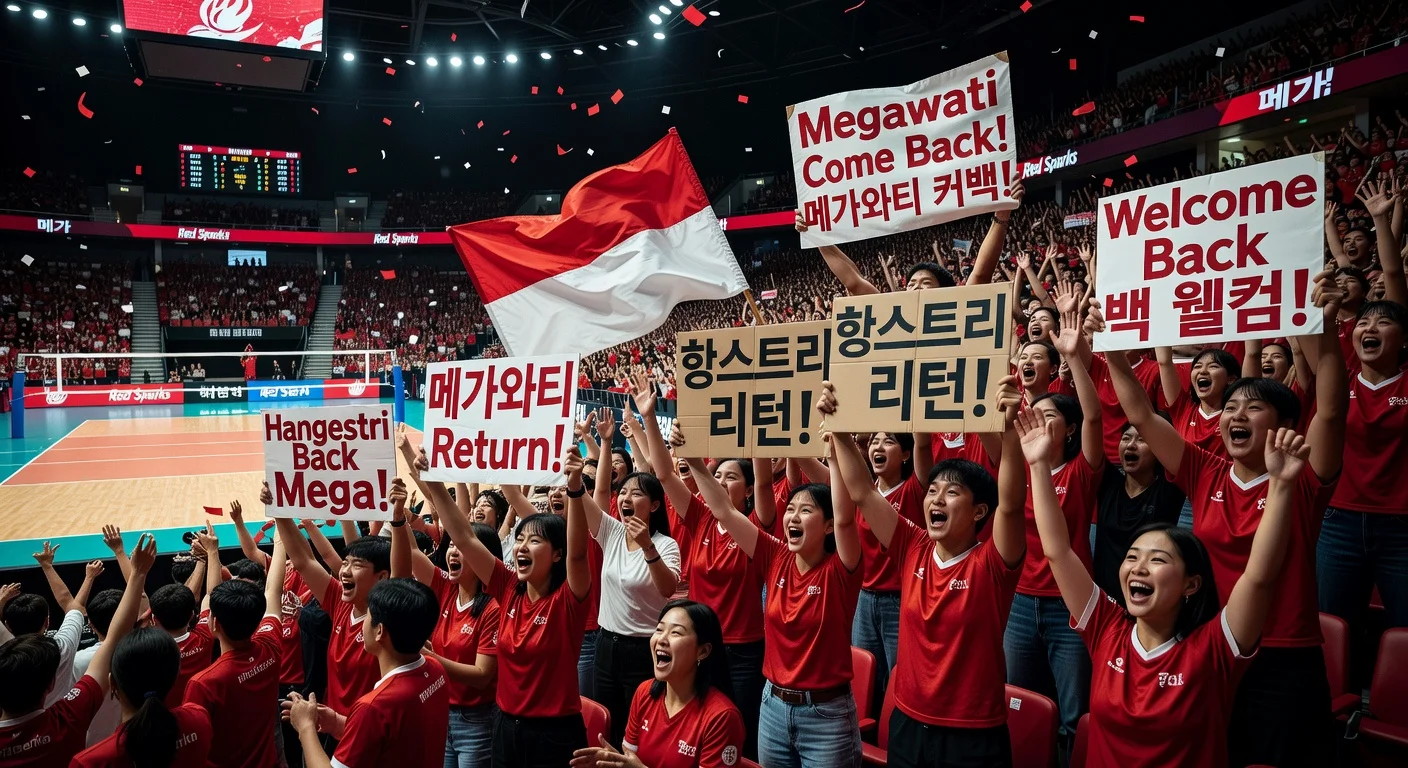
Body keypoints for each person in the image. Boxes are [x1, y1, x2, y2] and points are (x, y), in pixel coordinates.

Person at [1090, 268, 1347, 768]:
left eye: (1252, 408)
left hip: (1283, 656)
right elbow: (1142, 415)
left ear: (1285, 424)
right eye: (1229, 408)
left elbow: (1334, 411)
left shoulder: (1301, 474)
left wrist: (1328, 328)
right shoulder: (1204, 471)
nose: (1234, 416)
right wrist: (1113, 350)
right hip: (1209, 650)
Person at [1020, 407, 1309, 767]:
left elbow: (1260, 576)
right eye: (1133, 557)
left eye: (1157, 560)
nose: (1139, 567)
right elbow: (1057, 551)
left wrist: (1281, 486)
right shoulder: (1106, 628)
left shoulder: (1214, 648)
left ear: (1192, 584)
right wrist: (1037, 465)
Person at [824, 378, 1027, 768]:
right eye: (932, 490)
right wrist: (840, 432)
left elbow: (1013, 506)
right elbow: (863, 492)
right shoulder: (912, 546)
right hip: (908, 722)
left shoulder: (993, 563)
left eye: (951, 492)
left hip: (973, 733)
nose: (935, 498)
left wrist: (1009, 429)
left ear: (980, 512)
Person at [408, 444, 591, 768]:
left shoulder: (568, 599)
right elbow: (464, 537)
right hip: (504, 726)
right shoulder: (507, 587)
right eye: (519, 539)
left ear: (557, 555)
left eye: (534, 540)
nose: (521, 545)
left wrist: (574, 486)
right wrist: (432, 481)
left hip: (553, 736)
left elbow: (579, 553)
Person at [685, 432, 862, 768]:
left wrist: (835, 456)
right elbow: (723, 509)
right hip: (773, 708)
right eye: (790, 509)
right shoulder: (773, 554)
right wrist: (695, 463)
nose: (792, 517)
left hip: (826, 717)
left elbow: (846, 516)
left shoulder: (842, 569)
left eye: (805, 511)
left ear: (827, 527)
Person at [632, 371, 770, 759]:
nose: (720, 481)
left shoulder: (759, 526)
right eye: (716, 474)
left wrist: (757, 416)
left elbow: (763, 482)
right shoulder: (700, 518)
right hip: (695, 646)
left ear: (746, 489)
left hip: (742, 650)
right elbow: (663, 474)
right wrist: (649, 418)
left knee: (734, 734)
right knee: (697, 730)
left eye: (730, 476)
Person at [1005, 302, 1105, 754]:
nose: (1038, 422)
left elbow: (1096, 416)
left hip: (1072, 607)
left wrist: (1074, 358)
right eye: (1034, 413)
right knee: (1019, 705)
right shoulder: (1020, 467)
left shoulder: (1083, 470)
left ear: (1068, 430)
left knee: (1070, 717)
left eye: (1050, 417)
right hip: (1020, 603)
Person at [1316, 180, 1408, 633]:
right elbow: (1311, 343)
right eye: (1363, 322)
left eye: (1383, 321)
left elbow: (1393, 286)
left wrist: (1381, 223)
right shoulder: (1340, 377)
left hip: (1402, 527)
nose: (1370, 326)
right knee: (1333, 630)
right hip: (1339, 523)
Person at [0, 535, 153, 766]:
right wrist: (137, 573)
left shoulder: (75, 661)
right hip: (120, 745)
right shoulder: (68, 711)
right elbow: (100, 629)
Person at [387, 477, 502, 768]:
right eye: (450, 545)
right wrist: (398, 516)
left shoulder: (493, 608)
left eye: (460, 547)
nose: (452, 551)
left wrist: (430, 659)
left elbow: (481, 675)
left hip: (477, 721)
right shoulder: (445, 587)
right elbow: (412, 553)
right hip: (440, 709)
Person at [74, 544, 216, 768]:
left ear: (113, 684)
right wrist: (207, 555)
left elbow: (116, 634)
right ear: (174, 672)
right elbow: (209, 595)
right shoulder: (198, 719)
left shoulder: (90, 761)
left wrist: (128, 561)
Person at [288, 579, 451, 768]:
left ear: (379, 631)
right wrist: (336, 722)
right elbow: (391, 737)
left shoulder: (374, 706)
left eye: (367, 615)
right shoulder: (435, 669)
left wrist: (305, 727)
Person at [581, 444, 682, 747]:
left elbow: (667, 589)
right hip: (606, 645)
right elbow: (584, 499)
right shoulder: (611, 532)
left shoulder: (666, 546)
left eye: (636, 493)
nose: (626, 497)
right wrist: (573, 477)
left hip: (644, 651)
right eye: (623, 492)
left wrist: (647, 546)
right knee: (606, 725)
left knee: (637, 730)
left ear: (653, 506)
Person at [270, 484, 391, 728]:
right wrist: (279, 511)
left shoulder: (393, 619)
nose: (344, 570)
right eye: (344, 563)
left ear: (382, 577)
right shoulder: (340, 601)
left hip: (365, 729)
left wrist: (398, 520)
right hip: (329, 722)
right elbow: (304, 561)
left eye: (356, 565)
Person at [570, 600, 745, 768]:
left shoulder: (722, 717)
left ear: (703, 651)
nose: (661, 639)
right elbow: (631, 760)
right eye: (659, 630)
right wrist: (611, 763)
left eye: (675, 632)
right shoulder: (645, 692)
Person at [182, 528, 287, 768]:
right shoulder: (270, 645)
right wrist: (281, 537)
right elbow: (273, 590)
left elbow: (194, 749)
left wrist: (212, 552)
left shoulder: (204, 683)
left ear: (214, 623)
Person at [1092, 420, 1186, 599]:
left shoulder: (1169, 490)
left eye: (1142, 440)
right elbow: (1091, 421)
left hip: (1147, 599)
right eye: (1126, 438)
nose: (1131, 445)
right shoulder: (1107, 483)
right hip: (1104, 603)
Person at [146, 580, 213, 708]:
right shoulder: (204, 638)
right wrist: (210, 559)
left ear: (154, 619)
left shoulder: (147, 652)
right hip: (201, 715)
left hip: (164, 721)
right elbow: (210, 594)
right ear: (192, 616)